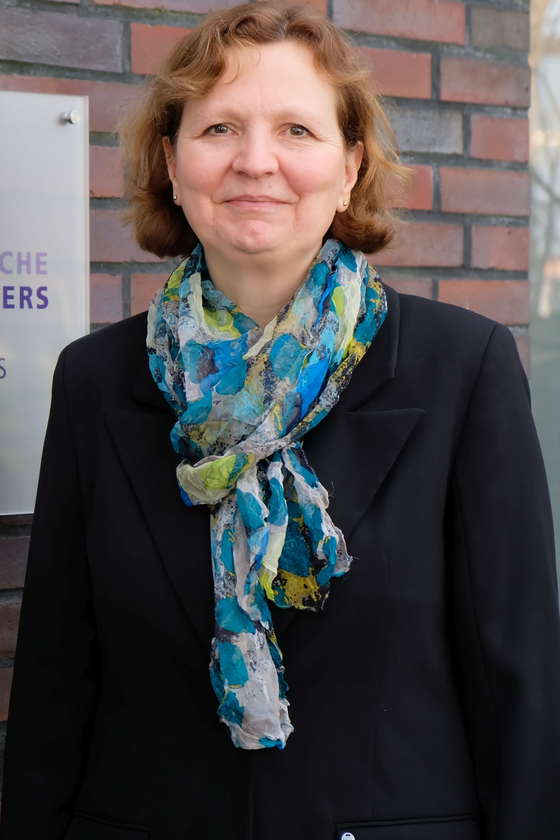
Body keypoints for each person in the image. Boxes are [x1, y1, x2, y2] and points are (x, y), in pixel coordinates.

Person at [2, 4, 560, 840]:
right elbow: (54, 682)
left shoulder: (463, 369)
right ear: (172, 159)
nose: (255, 161)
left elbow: (519, 683)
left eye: (297, 130)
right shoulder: (95, 380)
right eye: (220, 126)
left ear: (349, 168)